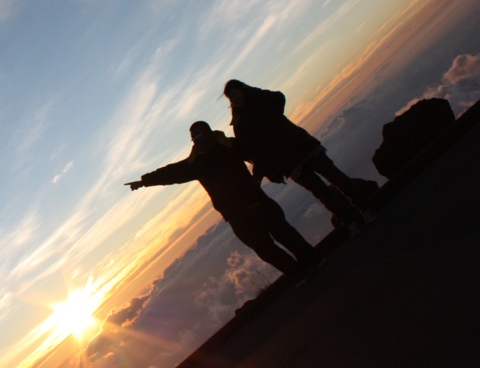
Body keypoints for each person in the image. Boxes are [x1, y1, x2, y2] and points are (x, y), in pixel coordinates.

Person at [126, 121, 318, 278]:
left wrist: (260, 174)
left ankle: (315, 264)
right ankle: (299, 275)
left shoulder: (230, 146)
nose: (198, 140)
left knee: (287, 235)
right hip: (238, 216)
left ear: (209, 133)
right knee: (266, 250)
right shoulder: (195, 164)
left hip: (258, 203)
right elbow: (171, 173)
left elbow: (255, 153)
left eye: (200, 135)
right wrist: (144, 181)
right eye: (194, 137)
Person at [222, 79, 375, 228]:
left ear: (244, 90)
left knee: (336, 177)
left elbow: (279, 99)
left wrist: (255, 92)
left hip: (303, 146)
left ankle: (365, 208)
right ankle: (351, 221)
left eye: (236, 94)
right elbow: (252, 152)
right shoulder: (240, 124)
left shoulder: (261, 101)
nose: (235, 99)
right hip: (287, 162)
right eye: (232, 97)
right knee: (321, 192)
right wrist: (270, 171)